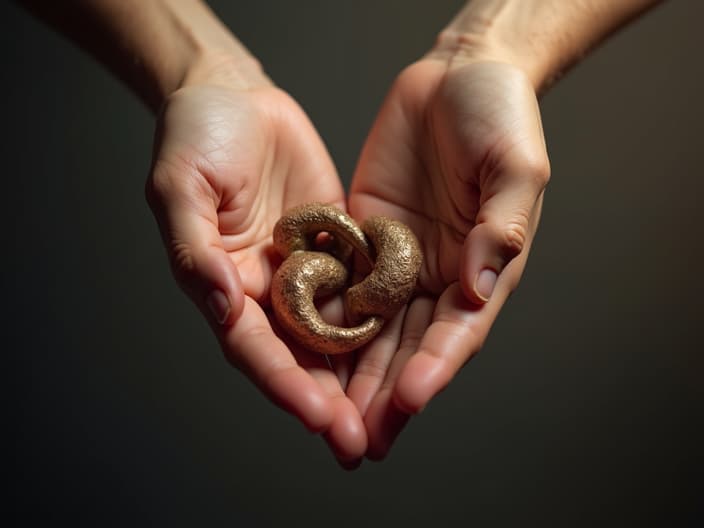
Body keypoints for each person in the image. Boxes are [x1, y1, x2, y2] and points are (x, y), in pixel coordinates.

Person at [20, 0, 662, 469]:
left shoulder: (353, 260)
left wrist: (489, 52)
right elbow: (305, 251)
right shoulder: (316, 257)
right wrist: (204, 71)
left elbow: (345, 263)